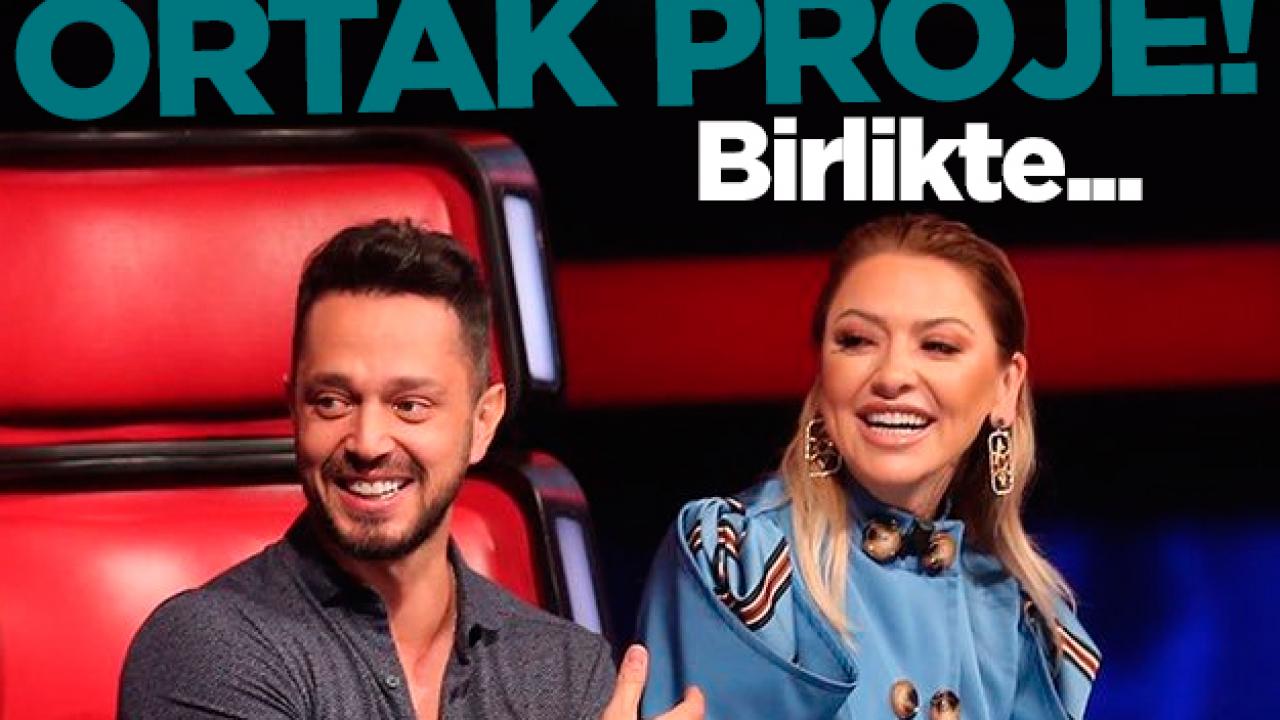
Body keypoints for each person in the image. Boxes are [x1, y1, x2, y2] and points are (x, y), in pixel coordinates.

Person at [119, 219, 702, 720]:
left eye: (410, 405)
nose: (368, 442)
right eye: (332, 402)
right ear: (293, 409)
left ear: (483, 422)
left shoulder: (565, 668)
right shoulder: (208, 645)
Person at [636, 214, 1100, 719]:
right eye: (857, 340)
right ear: (822, 370)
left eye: (939, 346)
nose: (892, 375)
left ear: (1006, 387)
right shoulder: (741, 566)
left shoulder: (1021, 618)